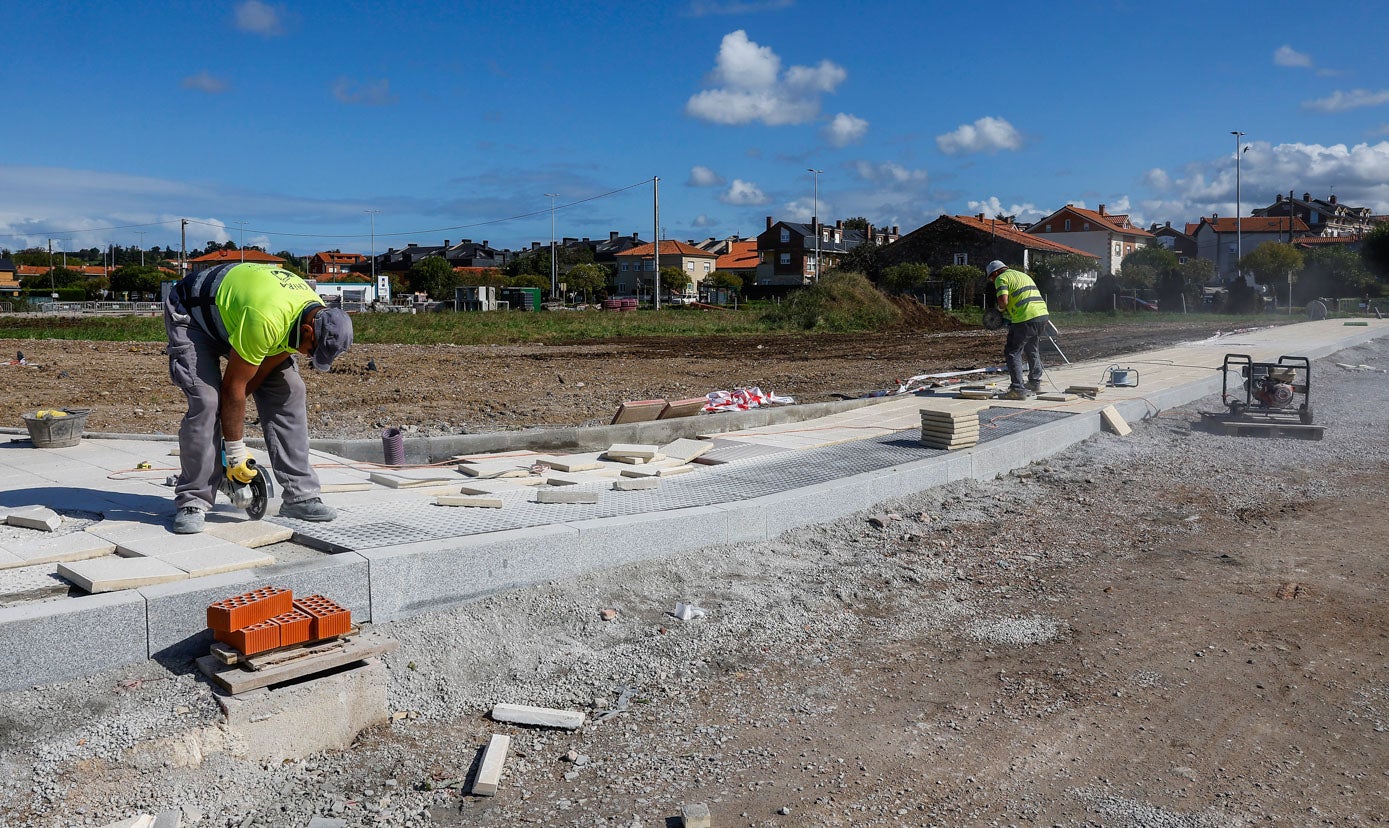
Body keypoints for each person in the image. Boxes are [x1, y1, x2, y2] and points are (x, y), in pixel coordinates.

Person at [164, 261, 353, 534]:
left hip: (236, 317)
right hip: (193, 314)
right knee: (207, 401)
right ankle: (193, 500)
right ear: (309, 331)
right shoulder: (268, 318)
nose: (310, 357)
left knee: (290, 390)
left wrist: (229, 418)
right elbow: (233, 387)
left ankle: (301, 496)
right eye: (312, 351)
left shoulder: (309, 312)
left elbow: (257, 375)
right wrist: (235, 452)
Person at [985, 260, 1050, 400]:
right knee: (1031, 348)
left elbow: (1003, 301)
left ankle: (1017, 389)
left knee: (1012, 351)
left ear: (995, 272)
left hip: (1025, 317)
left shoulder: (1001, 278)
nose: (992, 281)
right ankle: (1034, 382)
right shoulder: (1022, 275)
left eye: (991, 277)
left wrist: (999, 311)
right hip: (1042, 315)